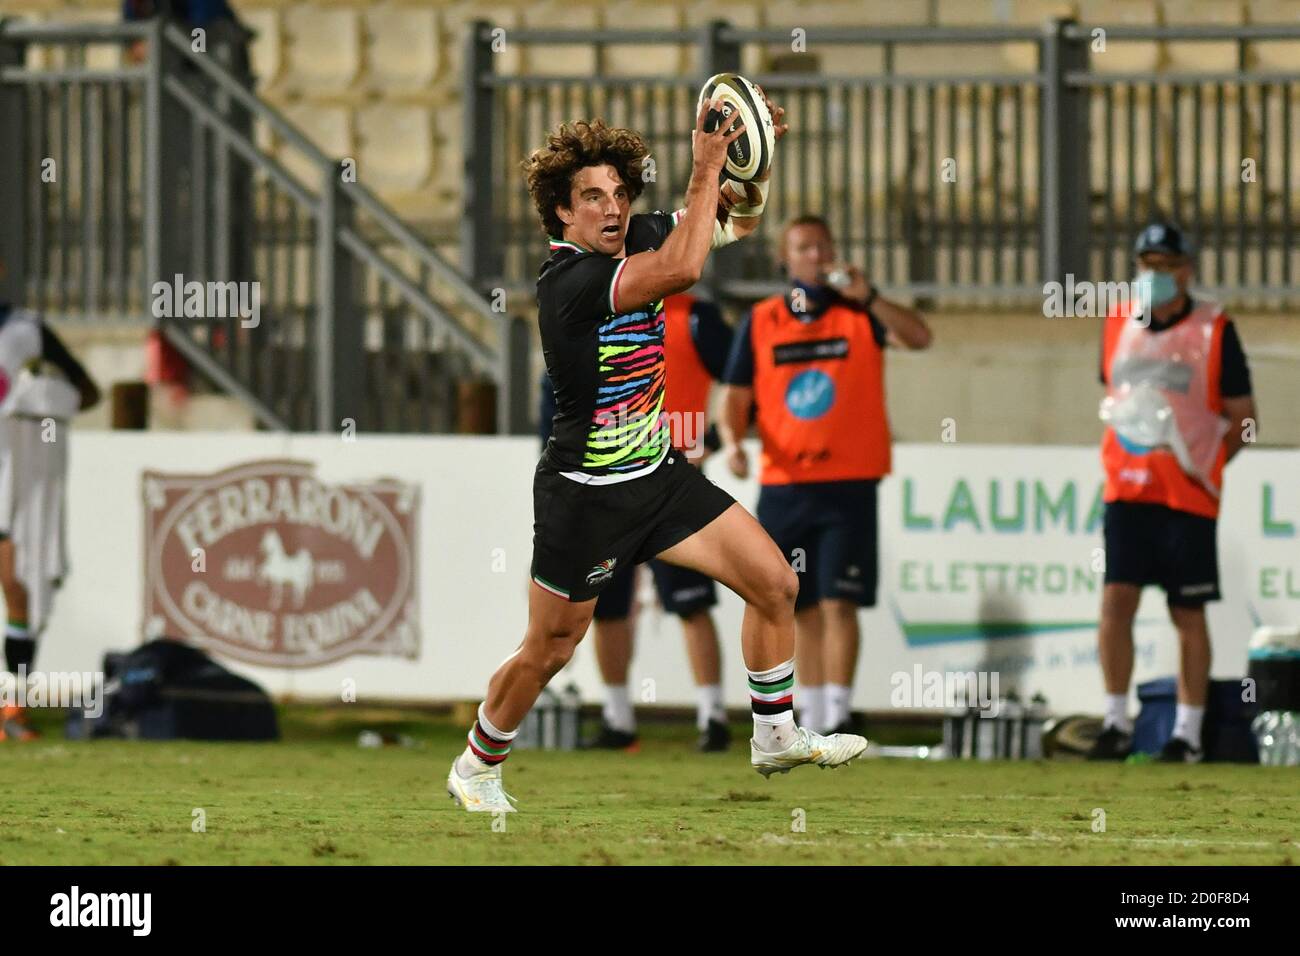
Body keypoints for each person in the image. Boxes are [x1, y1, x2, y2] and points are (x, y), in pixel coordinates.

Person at [448, 95, 871, 814]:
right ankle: (477, 764)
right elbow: (681, 270)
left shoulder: (633, 236)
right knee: (551, 647)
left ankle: (773, 733)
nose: (612, 208)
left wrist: (752, 155)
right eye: (591, 197)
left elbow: (734, 220)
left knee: (775, 583)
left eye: (618, 192)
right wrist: (704, 168)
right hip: (585, 495)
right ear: (561, 214)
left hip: (659, 475)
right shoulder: (569, 284)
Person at [719, 215, 932, 735]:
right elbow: (736, 396)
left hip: (849, 484)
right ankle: (807, 712)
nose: (815, 256)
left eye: (822, 247)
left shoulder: (859, 313)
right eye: (803, 248)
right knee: (797, 602)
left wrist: (871, 296)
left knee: (840, 600)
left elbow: (920, 337)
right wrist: (731, 443)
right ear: (785, 260)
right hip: (785, 484)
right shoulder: (762, 319)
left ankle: (838, 711)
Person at [537, 289, 736, 754]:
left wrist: (716, 438)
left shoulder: (693, 317)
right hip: (603, 485)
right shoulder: (586, 311)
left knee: (689, 601)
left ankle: (713, 718)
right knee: (605, 604)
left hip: (672, 480)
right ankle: (618, 718)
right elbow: (555, 409)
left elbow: (746, 378)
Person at [1087, 222, 1256, 764]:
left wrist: (1205, 467)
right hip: (1126, 489)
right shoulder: (1117, 323)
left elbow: (1244, 418)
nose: (1156, 275)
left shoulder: (1214, 329)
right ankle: (1115, 723)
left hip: (1186, 497)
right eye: (1148, 263)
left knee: (1188, 611)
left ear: (1188, 269)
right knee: (1117, 601)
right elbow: (1117, 397)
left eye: (1167, 264)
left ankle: (1187, 734)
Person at [0, 303, 100, 740]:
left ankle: (12, 705)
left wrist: (43, 396)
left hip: (12, 478)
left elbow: (88, 390)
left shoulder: (26, 330)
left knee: (17, 583)